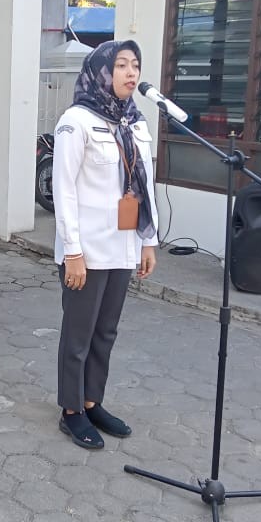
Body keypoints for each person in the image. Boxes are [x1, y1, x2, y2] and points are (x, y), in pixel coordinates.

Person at [53, 39, 158, 449]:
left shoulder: (135, 123)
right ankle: (71, 411)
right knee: (78, 334)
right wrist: (72, 252)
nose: (131, 73)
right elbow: (64, 191)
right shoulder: (76, 121)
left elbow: (144, 187)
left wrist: (147, 242)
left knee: (106, 332)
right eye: (121, 65)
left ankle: (92, 401)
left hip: (123, 246)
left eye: (136, 65)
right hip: (87, 250)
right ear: (101, 71)